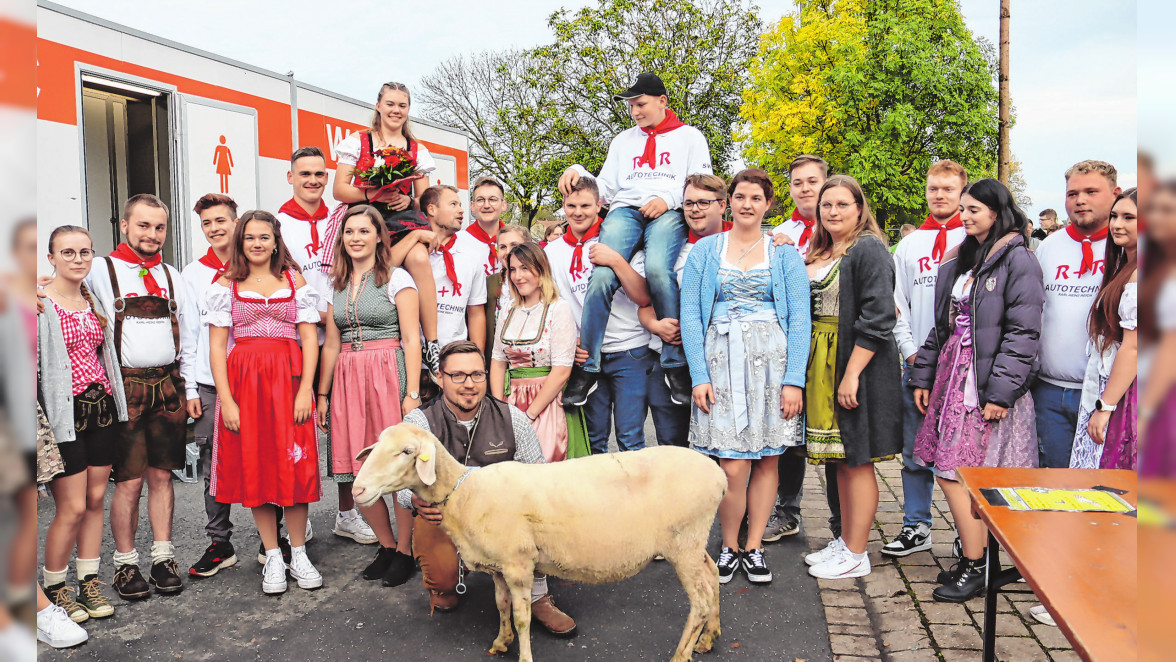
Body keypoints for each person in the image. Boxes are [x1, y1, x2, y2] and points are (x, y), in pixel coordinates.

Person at [911, 178, 1043, 603]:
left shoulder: (1018, 260)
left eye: (973, 210)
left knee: (961, 473)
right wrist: (923, 376)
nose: (964, 216)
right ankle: (975, 558)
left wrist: (1001, 393)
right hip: (954, 377)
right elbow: (943, 326)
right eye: (963, 209)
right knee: (949, 470)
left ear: (997, 211)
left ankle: (979, 562)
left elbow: (1023, 332)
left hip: (984, 382)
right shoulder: (965, 258)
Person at [392, 341, 576, 635]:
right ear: (440, 378)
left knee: (543, 512)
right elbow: (401, 486)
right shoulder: (418, 423)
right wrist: (414, 499)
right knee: (444, 588)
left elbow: (540, 475)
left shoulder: (512, 417)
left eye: (477, 375)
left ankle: (537, 595)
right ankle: (450, 574)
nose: (469, 384)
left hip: (500, 517)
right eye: (458, 376)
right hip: (447, 519)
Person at [681, 169, 810, 585]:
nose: (747, 204)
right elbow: (690, 316)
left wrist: (794, 380)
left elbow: (801, 320)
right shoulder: (705, 251)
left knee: (768, 458)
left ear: (768, 204)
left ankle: (754, 546)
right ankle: (729, 544)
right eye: (740, 196)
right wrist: (698, 375)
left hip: (771, 365)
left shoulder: (783, 252)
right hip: (721, 363)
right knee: (732, 464)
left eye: (756, 197)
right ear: (729, 202)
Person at [557, 72, 713, 407]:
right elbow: (606, 188)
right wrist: (577, 169)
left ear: (662, 101)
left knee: (658, 267)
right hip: (626, 210)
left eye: (640, 104)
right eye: (631, 106)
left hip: (667, 211)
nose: (635, 112)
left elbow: (702, 181)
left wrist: (669, 198)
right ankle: (590, 365)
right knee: (601, 271)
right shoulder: (622, 141)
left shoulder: (690, 137)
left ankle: (675, 361)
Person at [84, 194, 200, 600]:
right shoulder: (100, 269)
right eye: (144, 226)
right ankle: (125, 563)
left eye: (159, 227)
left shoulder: (172, 275)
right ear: (125, 227)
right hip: (125, 390)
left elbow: (191, 334)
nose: (152, 235)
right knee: (129, 483)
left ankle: (163, 557)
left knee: (163, 477)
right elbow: (63, 287)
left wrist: (189, 385)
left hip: (169, 388)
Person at [206, 210, 323, 595]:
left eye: (264, 237)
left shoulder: (295, 279)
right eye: (249, 237)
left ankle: (298, 551)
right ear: (240, 242)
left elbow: (309, 338)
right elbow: (218, 348)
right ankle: (272, 555)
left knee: (297, 463)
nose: (257, 244)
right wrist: (227, 401)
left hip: (289, 380)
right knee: (257, 464)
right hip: (246, 383)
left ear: (276, 240)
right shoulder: (226, 283)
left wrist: (307, 387)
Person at [801, 175, 902, 581]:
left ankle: (858, 551)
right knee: (839, 459)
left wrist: (852, 375)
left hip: (855, 361)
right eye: (827, 205)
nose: (833, 212)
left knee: (858, 459)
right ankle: (846, 540)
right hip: (824, 359)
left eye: (843, 204)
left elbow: (879, 316)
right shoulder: (824, 249)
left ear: (860, 208)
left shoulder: (869, 249)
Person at [317, 205, 422, 587]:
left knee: (395, 466)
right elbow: (330, 344)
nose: (356, 238)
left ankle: (407, 550)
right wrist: (323, 393)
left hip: (387, 374)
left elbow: (412, 338)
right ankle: (388, 544)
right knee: (360, 470)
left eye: (364, 230)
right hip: (347, 376)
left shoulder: (397, 278)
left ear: (379, 236)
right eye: (349, 232)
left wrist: (412, 393)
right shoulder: (336, 284)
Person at [278, 146, 377, 547]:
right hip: (299, 338)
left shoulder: (343, 219)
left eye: (320, 174)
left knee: (344, 428)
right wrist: (317, 314)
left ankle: (347, 513)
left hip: (338, 337)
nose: (314, 181)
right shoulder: (279, 223)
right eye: (305, 174)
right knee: (295, 432)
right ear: (290, 177)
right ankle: (295, 513)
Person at [38, 225, 126, 622]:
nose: (77, 260)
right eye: (68, 252)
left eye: (85, 252)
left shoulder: (94, 300)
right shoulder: (40, 303)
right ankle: (55, 586)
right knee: (71, 507)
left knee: (94, 500)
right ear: (51, 257)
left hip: (102, 408)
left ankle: (88, 581)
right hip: (65, 415)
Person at [882, 161, 968, 560]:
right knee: (916, 451)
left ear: (962, 191)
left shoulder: (976, 239)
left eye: (948, 189)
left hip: (964, 369)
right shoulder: (911, 245)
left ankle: (966, 532)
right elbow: (897, 304)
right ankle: (917, 524)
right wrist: (910, 352)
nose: (940, 195)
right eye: (934, 188)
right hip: (918, 362)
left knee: (962, 455)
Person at [329, 82, 441, 372]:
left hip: (402, 218)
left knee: (418, 258)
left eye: (402, 105)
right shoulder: (359, 141)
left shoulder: (416, 149)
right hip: (366, 216)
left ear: (408, 110)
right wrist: (373, 193)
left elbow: (424, 200)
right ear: (378, 105)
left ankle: (431, 342)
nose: (396, 110)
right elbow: (340, 190)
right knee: (376, 267)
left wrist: (407, 198)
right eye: (390, 104)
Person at [546, 177, 652, 453]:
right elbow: (552, 305)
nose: (578, 212)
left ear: (599, 205)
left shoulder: (621, 240)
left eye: (585, 205)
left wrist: (616, 260)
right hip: (585, 357)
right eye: (571, 206)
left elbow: (643, 296)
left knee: (631, 440)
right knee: (593, 441)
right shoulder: (550, 252)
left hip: (628, 350)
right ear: (563, 206)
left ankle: (635, 497)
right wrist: (571, 344)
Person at [766, 155, 838, 545]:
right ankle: (787, 511)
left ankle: (841, 527)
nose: (805, 188)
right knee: (790, 436)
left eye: (812, 181)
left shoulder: (841, 228)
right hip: (792, 343)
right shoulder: (780, 233)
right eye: (797, 182)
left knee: (832, 440)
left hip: (831, 344)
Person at [1032, 160, 1120, 468]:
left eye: (1091, 191)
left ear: (1115, 193)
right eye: (1072, 194)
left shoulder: (1128, 248)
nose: (1080, 200)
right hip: (1049, 392)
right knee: (1054, 486)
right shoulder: (1049, 247)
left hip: (1108, 398)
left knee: (1103, 491)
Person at [640, 173, 730, 448]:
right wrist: (655, 326)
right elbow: (644, 304)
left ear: (723, 205)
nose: (694, 209)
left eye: (704, 202)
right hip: (666, 361)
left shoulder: (739, 244)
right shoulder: (666, 248)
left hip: (721, 359)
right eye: (689, 203)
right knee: (672, 448)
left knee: (723, 448)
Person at [180, 194, 242, 578]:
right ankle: (220, 542)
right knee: (212, 465)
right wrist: (189, 389)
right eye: (207, 223)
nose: (215, 228)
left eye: (221, 220)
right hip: (208, 385)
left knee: (263, 458)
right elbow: (188, 335)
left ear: (236, 221)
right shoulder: (192, 274)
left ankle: (279, 540)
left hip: (252, 381)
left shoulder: (258, 264)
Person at [490, 244, 587, 462]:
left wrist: (530, 414)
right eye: (513, 270)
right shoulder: (508, 308)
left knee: (543, 468)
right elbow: (498, 361)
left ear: (541, 269)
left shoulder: (557, 308)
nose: (518, 276)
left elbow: (562, 371)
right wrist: (499, 410)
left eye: (525, 268)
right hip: (511, 399)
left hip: (546, 401)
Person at [1070, 189, 1138, 470]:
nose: (1117, 224)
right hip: (1111, 383)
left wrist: (1106, 407)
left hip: (1128, 394)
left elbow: (1134, 347)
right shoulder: (1125, 264)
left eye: (1129, 217)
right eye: (1114, 215)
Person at [464, 177, 510, 364]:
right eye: (481, 200)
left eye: (493, 199)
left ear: (503, 205)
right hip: (472, 320)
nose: (487, 205)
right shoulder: (460, 242)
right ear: (473, 206)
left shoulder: (516, 240)